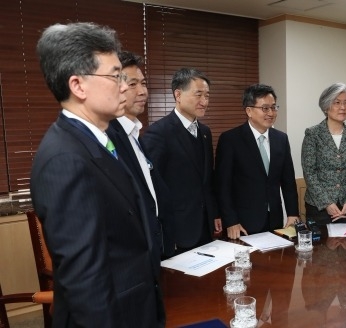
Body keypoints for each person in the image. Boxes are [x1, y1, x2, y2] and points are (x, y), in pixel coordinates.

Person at [30, 22, 165, 327]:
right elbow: (85, 282)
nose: (125, 86)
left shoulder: (102, 138)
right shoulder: (65, 159)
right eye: (116, 76)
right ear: (78, 86)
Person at [141, 68, 220, 253]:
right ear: (178, 94)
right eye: (198, 95)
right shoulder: (159, 133)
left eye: (207, 96)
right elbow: (153, 187)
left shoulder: (205, 132)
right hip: (177, 229)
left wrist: (214, 213)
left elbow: (207, 180)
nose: (204, 101)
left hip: (205, 225)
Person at [106, 51, 174, 259]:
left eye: (143, 84)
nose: (143, 91)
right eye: (133, 84)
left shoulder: (134, 134)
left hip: (156, 247)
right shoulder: (108, 137)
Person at [215, 84, 299, 239]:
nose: (271, 113)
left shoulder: (281, 139)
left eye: (274, 107)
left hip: (275, 219)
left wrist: (293, 213)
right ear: (249, 111)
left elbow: (288, 182)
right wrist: (231, 221)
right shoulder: (230, 139)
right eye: (265, 108)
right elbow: (223, 186)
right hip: (243, 223)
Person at [301, 83, 346, 224]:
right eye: (337, 102)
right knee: (320, 246)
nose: (343, 107)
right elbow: (309, 172)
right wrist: (327, 203)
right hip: (318, 207)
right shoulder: (313, 134)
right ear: (326, 106)